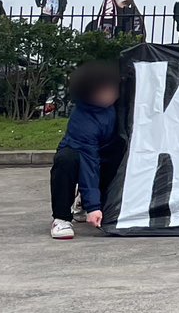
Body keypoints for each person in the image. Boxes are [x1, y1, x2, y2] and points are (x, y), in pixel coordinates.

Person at [49, 62, 124, 240]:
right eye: (103, 92)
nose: (110, 94)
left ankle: (85, 201)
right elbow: (89, 163)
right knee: (66, 160)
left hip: (108, 153)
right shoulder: (83, 121)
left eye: (112, 89)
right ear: (89, 94)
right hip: (82, 154)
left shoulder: (120, 103)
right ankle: (61, 218)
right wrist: (93, 207)